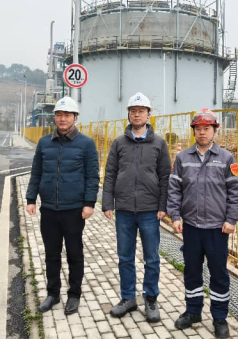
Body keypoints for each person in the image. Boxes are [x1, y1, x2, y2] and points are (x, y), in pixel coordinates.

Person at [167, 109, 238, 339]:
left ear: (214, 131)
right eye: (198, 129)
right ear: (194, 131)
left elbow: (236, 191)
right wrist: (175, 216)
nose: (202, 132)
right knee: (192, 270)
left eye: (207, 129)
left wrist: (231, 219)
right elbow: (174, 189)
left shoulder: (227, 159)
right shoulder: (183, 158)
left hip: (217, 228)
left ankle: (219, 318)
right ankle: (193, 312)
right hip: (191, 227)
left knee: (218, 273)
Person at [26, 96, 99, 316]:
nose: (62, 119)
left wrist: (89, 203)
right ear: (55, 118)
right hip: (49, 209)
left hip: (74, 210)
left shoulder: (86, 144)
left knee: (75, 254)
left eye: (67, 115)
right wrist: (31, 199)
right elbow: (36, 172)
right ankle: (53, 293)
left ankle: (74, 294)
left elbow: (92, 177)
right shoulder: (44, 143)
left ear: (75, 118)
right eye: (59, 115)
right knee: (51, 254)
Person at [103, 92, 171, 323]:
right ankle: (128, 298)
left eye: (141, 111)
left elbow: (165, 177)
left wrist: (163, 206)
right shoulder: (119, 143)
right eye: (133, 111)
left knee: (151, 258)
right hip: (124, 209)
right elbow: (110, 173)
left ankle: (150, 299)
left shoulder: (159, 143)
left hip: (150, 210)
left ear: (148, 114)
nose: (137, 114)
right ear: (129, 115)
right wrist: (107, 203)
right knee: (125, 257)